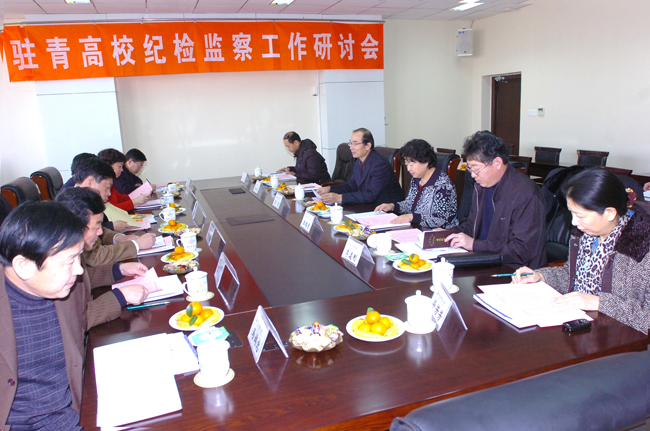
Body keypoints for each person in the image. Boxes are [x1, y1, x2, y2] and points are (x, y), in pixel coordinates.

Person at [513, 168, 650, 334]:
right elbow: (572, 276)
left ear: (609, 213)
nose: (574, 222)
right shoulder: (584, 236)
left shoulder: (640, 248)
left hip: (622, 340)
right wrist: (541, 276)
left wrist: (599, 303)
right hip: (581, 329)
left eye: (580, 215)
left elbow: (646, 317)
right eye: (571, 213)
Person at [1, 202, 99, 428]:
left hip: (74, 410)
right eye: (70, 261)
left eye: (79, 257)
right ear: (24, 266)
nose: (79, 270)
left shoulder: (67, 288)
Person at [445, 131, 546, 268]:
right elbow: (472, 225)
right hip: (484, 259)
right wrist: (446, 234)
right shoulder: (481, 186)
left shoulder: (525, 194)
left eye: (476, 169)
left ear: (497, 163)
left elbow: (523, 249)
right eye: (470, 168)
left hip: (515, 270)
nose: (473, 175)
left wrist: (474, 244)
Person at [55, 187, 149, 317]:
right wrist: (120, 297)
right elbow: (77, 319)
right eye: (96, 226)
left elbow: (85, 278)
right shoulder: (56, 265)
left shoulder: (69, 249)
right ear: (76, 226)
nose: (100, 232)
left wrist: (119, 270)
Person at [74, 157, 156, 266]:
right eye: (107, 187)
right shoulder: (73, 207)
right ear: (91, 181)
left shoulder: (83, 199)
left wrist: (119, 238)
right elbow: (94, 256)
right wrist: (135, 245)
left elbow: (99, 229)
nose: (108, 193)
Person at [375, 139, 458, 229]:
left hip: (439, 232)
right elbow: (409, 204)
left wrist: (412, 217)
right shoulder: (417, 179)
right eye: (406, 164)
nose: (408, 169)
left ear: (425, 162)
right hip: (417, 228)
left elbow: (440, 219)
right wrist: (392, 206)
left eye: (411, 165)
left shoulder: (443, 184)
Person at [316, 128, 402, 206]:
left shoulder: (380, 165)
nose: (351, 147)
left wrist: (339, 198)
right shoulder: (358, 162)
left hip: (386, 209)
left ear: (368, 146)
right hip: (369, 206)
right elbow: (351, 186)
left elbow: (371, 195)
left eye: (355, 144)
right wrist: (329, 189)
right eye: (350, 143)